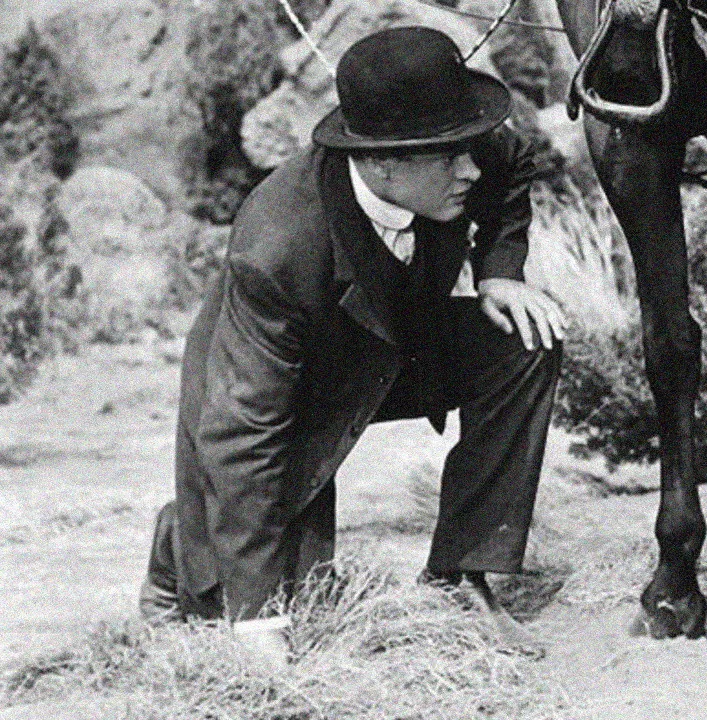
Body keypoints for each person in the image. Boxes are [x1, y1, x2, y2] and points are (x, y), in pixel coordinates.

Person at [138, 26, 565, 666]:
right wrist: (256, 623)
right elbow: (243, 434)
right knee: (272, 596)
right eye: (451, 159)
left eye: (468, 150)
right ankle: (180, 547)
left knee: (524, 343)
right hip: (290, 381)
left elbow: (508, 167)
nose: (470, 170)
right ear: (382, 161)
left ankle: (460, 576)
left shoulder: (459, 147)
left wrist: (499, 273)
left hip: (399, 344)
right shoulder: (275, 248)